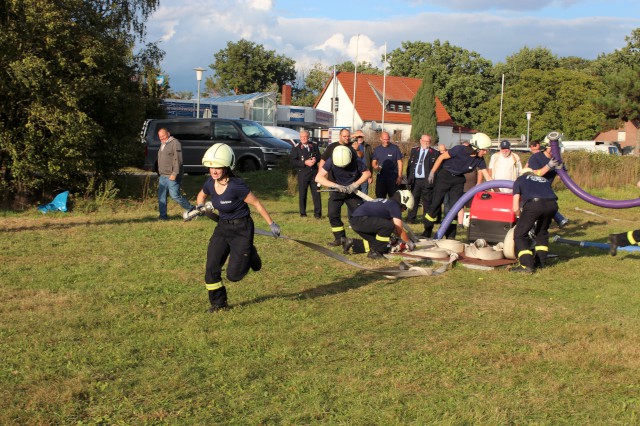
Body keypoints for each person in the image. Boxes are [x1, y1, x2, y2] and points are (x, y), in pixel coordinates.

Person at [195, 143, 281, 312]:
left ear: (227, 166)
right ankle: (219, 304)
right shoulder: (210, 183)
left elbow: (256, 203)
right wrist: (200, 206)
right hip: (222, 228)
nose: (214, 171)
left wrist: (272, 224)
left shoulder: (236, 185)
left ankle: (251, 254)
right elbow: (201, 194)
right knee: (212, 267)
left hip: (242, 229)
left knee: (234, 276)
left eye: (218, 167)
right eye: (211, 167)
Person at [422, 133, 493, 239]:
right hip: (445, 176)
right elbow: (441, 157)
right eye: (484, 149)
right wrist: (432, 172)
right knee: (435, 204)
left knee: (454, 208)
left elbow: (488, 178)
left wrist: (498, 191)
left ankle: (450, 235)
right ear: (476, 148)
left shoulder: (479, 160)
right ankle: (427, 231)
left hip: (458, 180)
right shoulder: (459, 150)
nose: (486, 152)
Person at [315, 145, 371, 246]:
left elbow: (367, 173)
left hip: (353, 192)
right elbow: (318, 178)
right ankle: (340, 238)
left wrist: (355, 185)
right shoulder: (331, 160)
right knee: (332, 214)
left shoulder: (356, 160)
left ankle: (371, 238)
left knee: (360, 216)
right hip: (337, 191)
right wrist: (335, 185)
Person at [342, 190, 416, 258]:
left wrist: (396, 239)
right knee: (386, 235)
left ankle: (350, 242)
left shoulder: (387, 203)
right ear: (402, 202)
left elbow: (395, 229)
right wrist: (409, 242)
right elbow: (399, 229)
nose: (403, 211)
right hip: (361, 220)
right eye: (405, 208)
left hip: (356, 220)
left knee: (379, 243)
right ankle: (375, 252)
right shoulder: (394, 206)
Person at [511, 168, 558, 273]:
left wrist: (522, 218)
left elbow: (515, 208)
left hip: (534, 204)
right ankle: (540, 262)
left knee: (519, 234)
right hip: (552, 205)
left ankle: (526, 265)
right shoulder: (543, 180)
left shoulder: (520, 180)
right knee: (542, 232)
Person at [525, 132, 569, 228]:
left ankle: (557, 221)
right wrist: (549, 166)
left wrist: (563, 170)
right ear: (549, 147)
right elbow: (535, 174)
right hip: (533, 192)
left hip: (546, 192)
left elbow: (563, 178)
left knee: (548, 211)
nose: (558, 151)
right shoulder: (536, 157)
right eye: (557, 149)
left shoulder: (556, 160)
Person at [156, 128, 194, 220]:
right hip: (163, 175)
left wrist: (174, 173)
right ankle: (163, 217)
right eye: (160, 137)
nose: (162, 138)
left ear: (168, 134)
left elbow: (178, 160)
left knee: (175, 196)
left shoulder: (175, 143)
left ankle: (192, 209)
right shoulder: (163, 144)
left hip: (172, 175)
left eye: (163, 136)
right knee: (161, 197)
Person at [406, 134, 439, 224]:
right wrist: (409, 178)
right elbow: (410, 165)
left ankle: (426, 220)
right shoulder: (414, 150)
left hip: (427, 180)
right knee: (413, 200)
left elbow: (437, 169)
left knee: (427, 201)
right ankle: (410, 219)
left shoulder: (435, 153)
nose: (425, 143)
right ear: (420, 141)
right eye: (424, 141)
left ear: (430, 142)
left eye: (427, 142)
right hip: (415, 180)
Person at [291, 130, 322, 218]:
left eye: (305, 137)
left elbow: (319, 156)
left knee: (316, 194)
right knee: (303, 194)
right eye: (301, 137)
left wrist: (316, 159)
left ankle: (318, 214)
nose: (303, 138)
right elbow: (293, 161)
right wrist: (304, 162)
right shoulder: (296, 148)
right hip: (303, 173)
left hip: (314, 173)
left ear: (308, 137)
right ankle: (303, 213)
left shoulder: (314, 145)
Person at [371, 131, 403, 198]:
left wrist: (399, 176)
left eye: (388, 139)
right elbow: (374, 162)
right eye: (384, 139)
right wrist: (376, 167)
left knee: (394, 199)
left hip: (393, 179)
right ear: (380, 139)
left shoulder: (395, 148)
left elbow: (400, 162)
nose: (386, 141)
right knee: (380, 199)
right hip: (381, 179)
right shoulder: (377, 149)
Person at [351, 130, 373, 194]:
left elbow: (370, 161)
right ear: (355, 137)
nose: (360, 138)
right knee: (354, 195)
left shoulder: (367, 146)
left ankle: (364, 204)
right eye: (358, 137)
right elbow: (343, 138)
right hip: (354, 174)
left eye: (361, 137)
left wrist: (370, 175)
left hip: (365, 174)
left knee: (364, 194)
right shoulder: (351, 145)